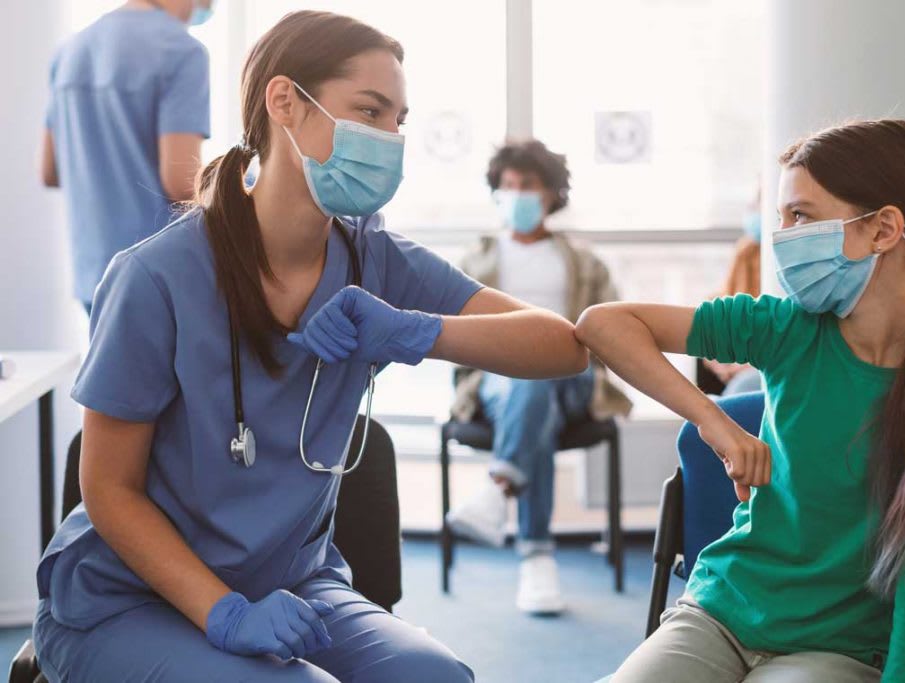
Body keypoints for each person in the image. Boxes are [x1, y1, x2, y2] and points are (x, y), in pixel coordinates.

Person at [32, 12, 589, 683]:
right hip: (128, 601)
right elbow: (107, 488)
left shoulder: (374, 260)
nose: (391, 139)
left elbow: (564, 346)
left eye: (399, 120)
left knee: (435, 677)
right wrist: (225, 613)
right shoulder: (156, 276)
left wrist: (418, 333)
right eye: (370, 111)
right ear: (286, 102)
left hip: (292, 584)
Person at [576, 119, 905, 682]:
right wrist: (714, 423)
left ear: (883, 230)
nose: (780, 236)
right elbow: (605, 325)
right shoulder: (784, 326)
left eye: (800, 216)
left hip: (841, 648)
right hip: (721, 614)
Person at [445, 140, 632, 615]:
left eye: (526, 185)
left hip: (573, 377)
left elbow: (612, 330)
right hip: (493, 384)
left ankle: (499, 488)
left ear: (550, 193)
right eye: (507, 186)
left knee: (540, 364)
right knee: (528, 381)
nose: (516, 195)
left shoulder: (584, 262)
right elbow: (457, 332)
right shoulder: (476, 260)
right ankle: (537, 559)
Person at [40, 0, 212, 314]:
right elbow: (180, 182)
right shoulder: (182, 51)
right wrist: (245, 186)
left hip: (91, 272)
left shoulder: (69, 51)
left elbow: (50, 172)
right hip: (157, 273)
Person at [702, 193, 762, 396]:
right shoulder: (746, 251)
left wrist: (752, 364)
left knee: (741, 391)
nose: (754, 209)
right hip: (745, 361)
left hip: (767, 365)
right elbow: (729, 295)